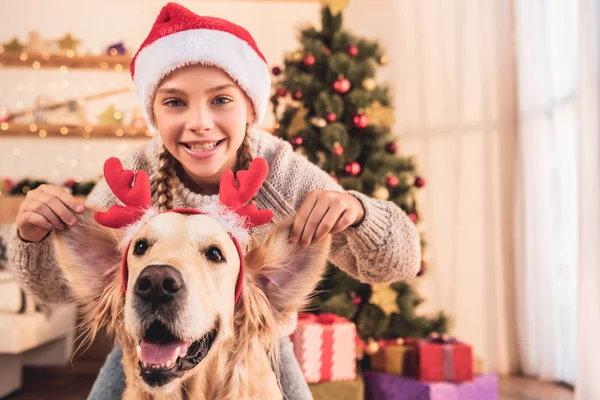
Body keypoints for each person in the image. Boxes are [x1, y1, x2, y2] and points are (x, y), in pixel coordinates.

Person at [9, 3, 421, 399]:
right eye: (174, 102)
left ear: (250, 110)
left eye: (221, 99)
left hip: (258, 341)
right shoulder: (132, 174)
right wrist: (31, 238)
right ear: (153, 112)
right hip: (144, 344)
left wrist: (359, 213)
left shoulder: (283, 174)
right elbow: (60, 288)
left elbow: (401, 262)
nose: (199, 123)